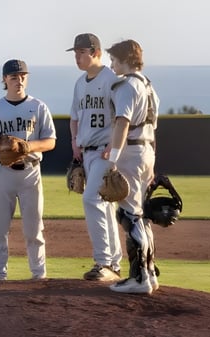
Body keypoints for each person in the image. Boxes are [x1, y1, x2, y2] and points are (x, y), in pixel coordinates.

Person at [0, 59, 57, 281]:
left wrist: (27, 146)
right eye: (14, 77)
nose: (19, 80)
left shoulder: (39, 107)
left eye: (23, 76)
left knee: (34, 228)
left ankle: (38, 275)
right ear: (4, 80)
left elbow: (50, 141)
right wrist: (4, 142)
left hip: (31, 171)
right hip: (3, 171)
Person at [104, 40, 160, 294]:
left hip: (131, 152)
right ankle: (149, 272)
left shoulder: (127, 86)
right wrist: (152, 162)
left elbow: (122, 124)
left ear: (125, 59)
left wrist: (113, 159)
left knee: (129, 215)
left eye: (114, 59)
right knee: (141, 215)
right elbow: (153, 128)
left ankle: (138, 278)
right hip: (146, 150)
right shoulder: (149, 86)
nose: (112, 64)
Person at [66, 33, 123, 282]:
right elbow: (74, 116)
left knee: (92, 200)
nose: (77, 57)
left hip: (104, 150)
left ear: (96, 52)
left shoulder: (112, 80)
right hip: (87, 152)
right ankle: (114, 263)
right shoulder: (80, 83)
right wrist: (74, 142)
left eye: (82, 52)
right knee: (105, 207)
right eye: (76, 53)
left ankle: (102, 261)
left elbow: (122, 117)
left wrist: (114, 146)